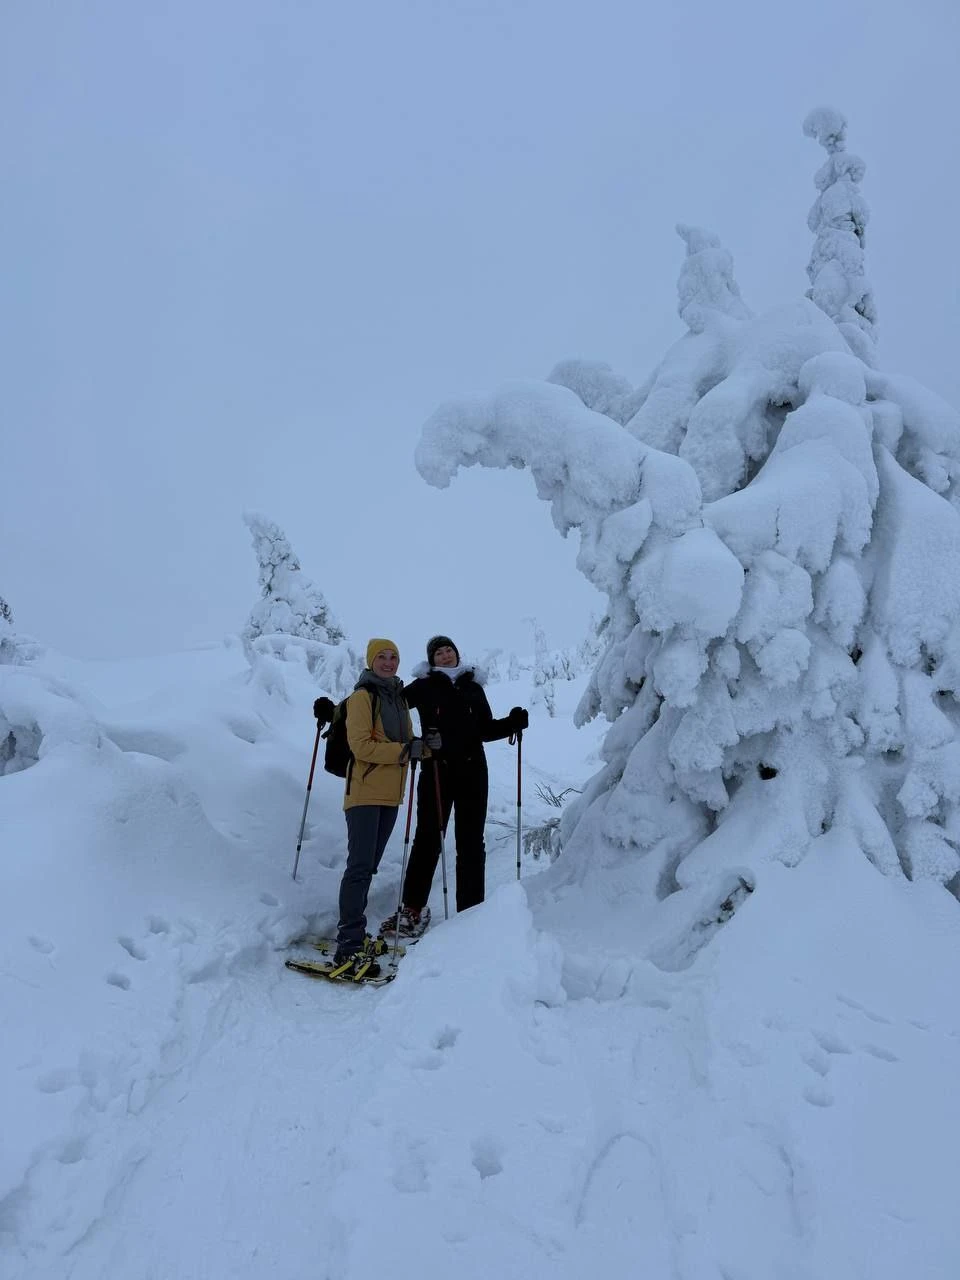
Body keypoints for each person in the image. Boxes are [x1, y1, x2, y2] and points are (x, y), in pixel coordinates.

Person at [381, 634, 528, 938]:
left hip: (474, 771)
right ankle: (412, 910)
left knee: (471, 842)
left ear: (457, 654)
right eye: (439, 653)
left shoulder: (472, 687)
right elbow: (392, 710)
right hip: (436, 771)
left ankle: (471, 914)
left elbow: (485, 730)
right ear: (431, 660)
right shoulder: (423, 686)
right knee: (427, 839)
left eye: (449, 650)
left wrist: (511, 723)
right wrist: (415, 741)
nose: (445, 655)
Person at [318, 638, 437, 978]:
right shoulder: (361, 697)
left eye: (393, 657)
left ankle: (356, 932)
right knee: (358, 868)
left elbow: (407, 744)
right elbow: (362, 746)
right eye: (381, 657)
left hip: (391, 796)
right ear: (371, 662)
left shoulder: (398, 699)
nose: (388, 662)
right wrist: (405, 750)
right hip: (364, 793)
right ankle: (349, 942)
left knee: (368, 868)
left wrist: (427, 748)